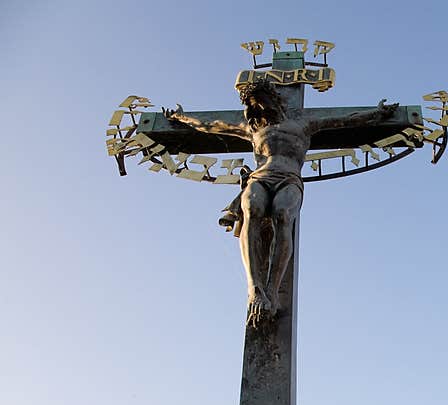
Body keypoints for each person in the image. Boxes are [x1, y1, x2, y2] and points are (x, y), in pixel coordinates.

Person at [164, 80, 398, 327]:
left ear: (274, 99)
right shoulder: (252, 128)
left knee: (283, 214)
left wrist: (377, 114)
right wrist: (182, 118)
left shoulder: (303, 123)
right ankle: (254, 287)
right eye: (256, 106)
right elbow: (211, 126)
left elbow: (347, 120)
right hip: (260, 177)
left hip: (289, 179)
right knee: (252, 210)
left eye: (263, 103)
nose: (261, 109)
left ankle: (272, 291)